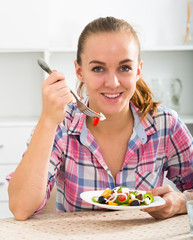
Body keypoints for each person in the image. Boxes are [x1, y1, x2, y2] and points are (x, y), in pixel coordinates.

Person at [7, 16, 193, 221]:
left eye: (124, 68)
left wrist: (181, 203)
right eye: (98, 68)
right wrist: (47, 121)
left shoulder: (165, 124)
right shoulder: (61, 124)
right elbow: (20, 208)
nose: (112, 83)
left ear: (138, 70)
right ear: (79, 71)